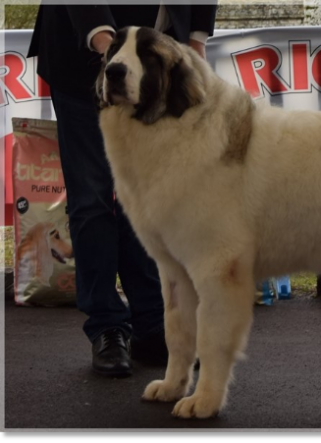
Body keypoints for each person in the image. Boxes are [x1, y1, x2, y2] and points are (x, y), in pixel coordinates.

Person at [27, 2, 218, 377]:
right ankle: (107, 327)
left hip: (156, 64)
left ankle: (151, 323)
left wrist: (195, 39)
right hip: (84, 55)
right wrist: (105, 42)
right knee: (93, 198)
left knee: (145, 199)